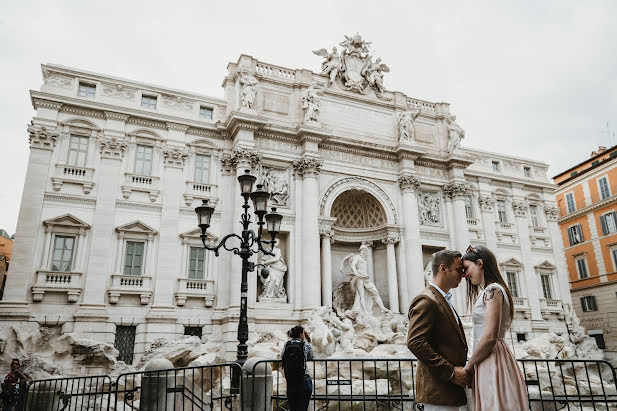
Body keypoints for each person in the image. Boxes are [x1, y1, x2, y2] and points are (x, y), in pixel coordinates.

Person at [462, 245, 529, 410]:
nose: (465, 274)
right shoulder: (491, 290)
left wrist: (469, 366)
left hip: (490, 356)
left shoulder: (492, 290)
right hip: (490, 355)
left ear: (479, 263)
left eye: (466, 268)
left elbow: (490, 335)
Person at [407, 250, 470, 410]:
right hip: (436, 394)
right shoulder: (427, 300)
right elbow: (415, 342)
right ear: (443, 269)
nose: (463, 275)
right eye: (458, 269)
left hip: (445, 393)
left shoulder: (442, 299)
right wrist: (450, 372)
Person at [281, 326, 314, 411]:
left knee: (293, 407)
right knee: (303, 407)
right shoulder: (305, 345)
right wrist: (309, 340)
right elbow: (311, 356)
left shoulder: (287, 344)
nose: (304, 334)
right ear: (301, 335)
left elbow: (282, 356)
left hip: (291, 379)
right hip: (303, 379)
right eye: (303, 333)